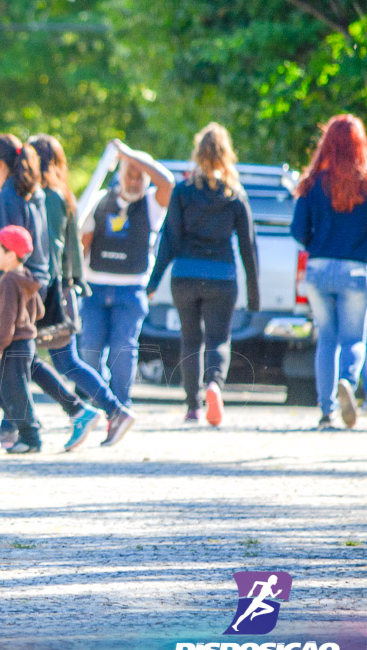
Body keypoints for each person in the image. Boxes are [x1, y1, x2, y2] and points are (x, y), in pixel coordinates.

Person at [0, 134, 133, 452]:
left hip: (29, 288)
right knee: (21, 357)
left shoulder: (32, 196)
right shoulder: (36, 194)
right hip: (41, 285)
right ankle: (10, 424)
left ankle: (66, 416)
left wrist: (24, 282)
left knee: (24, 356)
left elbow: (18, 248)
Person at [26, 134, 137, 448]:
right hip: (62, 288)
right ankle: (100, 411)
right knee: (57, 361)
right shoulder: (61, 194)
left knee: (30, 356)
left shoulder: (46, 197)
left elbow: (46, 249)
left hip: (49, 291)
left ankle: (104, 410)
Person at [147, 122, 259, 425]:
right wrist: (254, 293)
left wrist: (152, 282)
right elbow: (248, 245)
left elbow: (168, 241)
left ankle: (193, 406)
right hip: (222, 276)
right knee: (218, 339)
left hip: (184, 274)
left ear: (198, 153)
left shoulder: (183, 191)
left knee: (190, 340)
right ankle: (214, 385)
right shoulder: (234, 195)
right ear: (227, 155)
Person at [78, 139, 175, 407]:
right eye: (129, 174)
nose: (134, 182)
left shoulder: (152, 206)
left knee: (123, 351)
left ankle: (120, 406)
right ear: (119, 175)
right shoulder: (98, 202)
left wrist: (130, 154)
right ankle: (98, 404)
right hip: (94, 289)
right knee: (89, 350)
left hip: (130, 291)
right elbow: (82, 244)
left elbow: (167, 183)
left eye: (140, 177)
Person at [290, 114, 367, 430]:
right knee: (353, 338)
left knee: (327, 339)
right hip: (356, 272)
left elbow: (297, 230)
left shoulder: (312, 183)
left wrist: (316, 241)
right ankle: (347, 382)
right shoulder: (364, 183)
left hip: (318, 270)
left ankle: (326, 411)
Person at [0, 226, 44, 453]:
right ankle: (28, 423)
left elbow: (7, 317)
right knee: (2, 389)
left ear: (10, 255)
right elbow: (39, 311)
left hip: (12, 345)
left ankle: (31, 437)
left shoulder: (9, 280)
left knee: (14, 391)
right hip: (23, 342)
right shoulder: (25, 276)